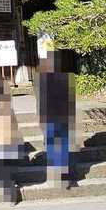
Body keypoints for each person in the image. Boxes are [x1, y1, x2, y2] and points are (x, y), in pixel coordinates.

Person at [36, 37, 74, 188]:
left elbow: (40, 102)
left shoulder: (43, 80)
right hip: (60, 117)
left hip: (52, 117)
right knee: (60, 146)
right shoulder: (65, 78)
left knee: (54, 145)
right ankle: (62, 176)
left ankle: (58, 175)